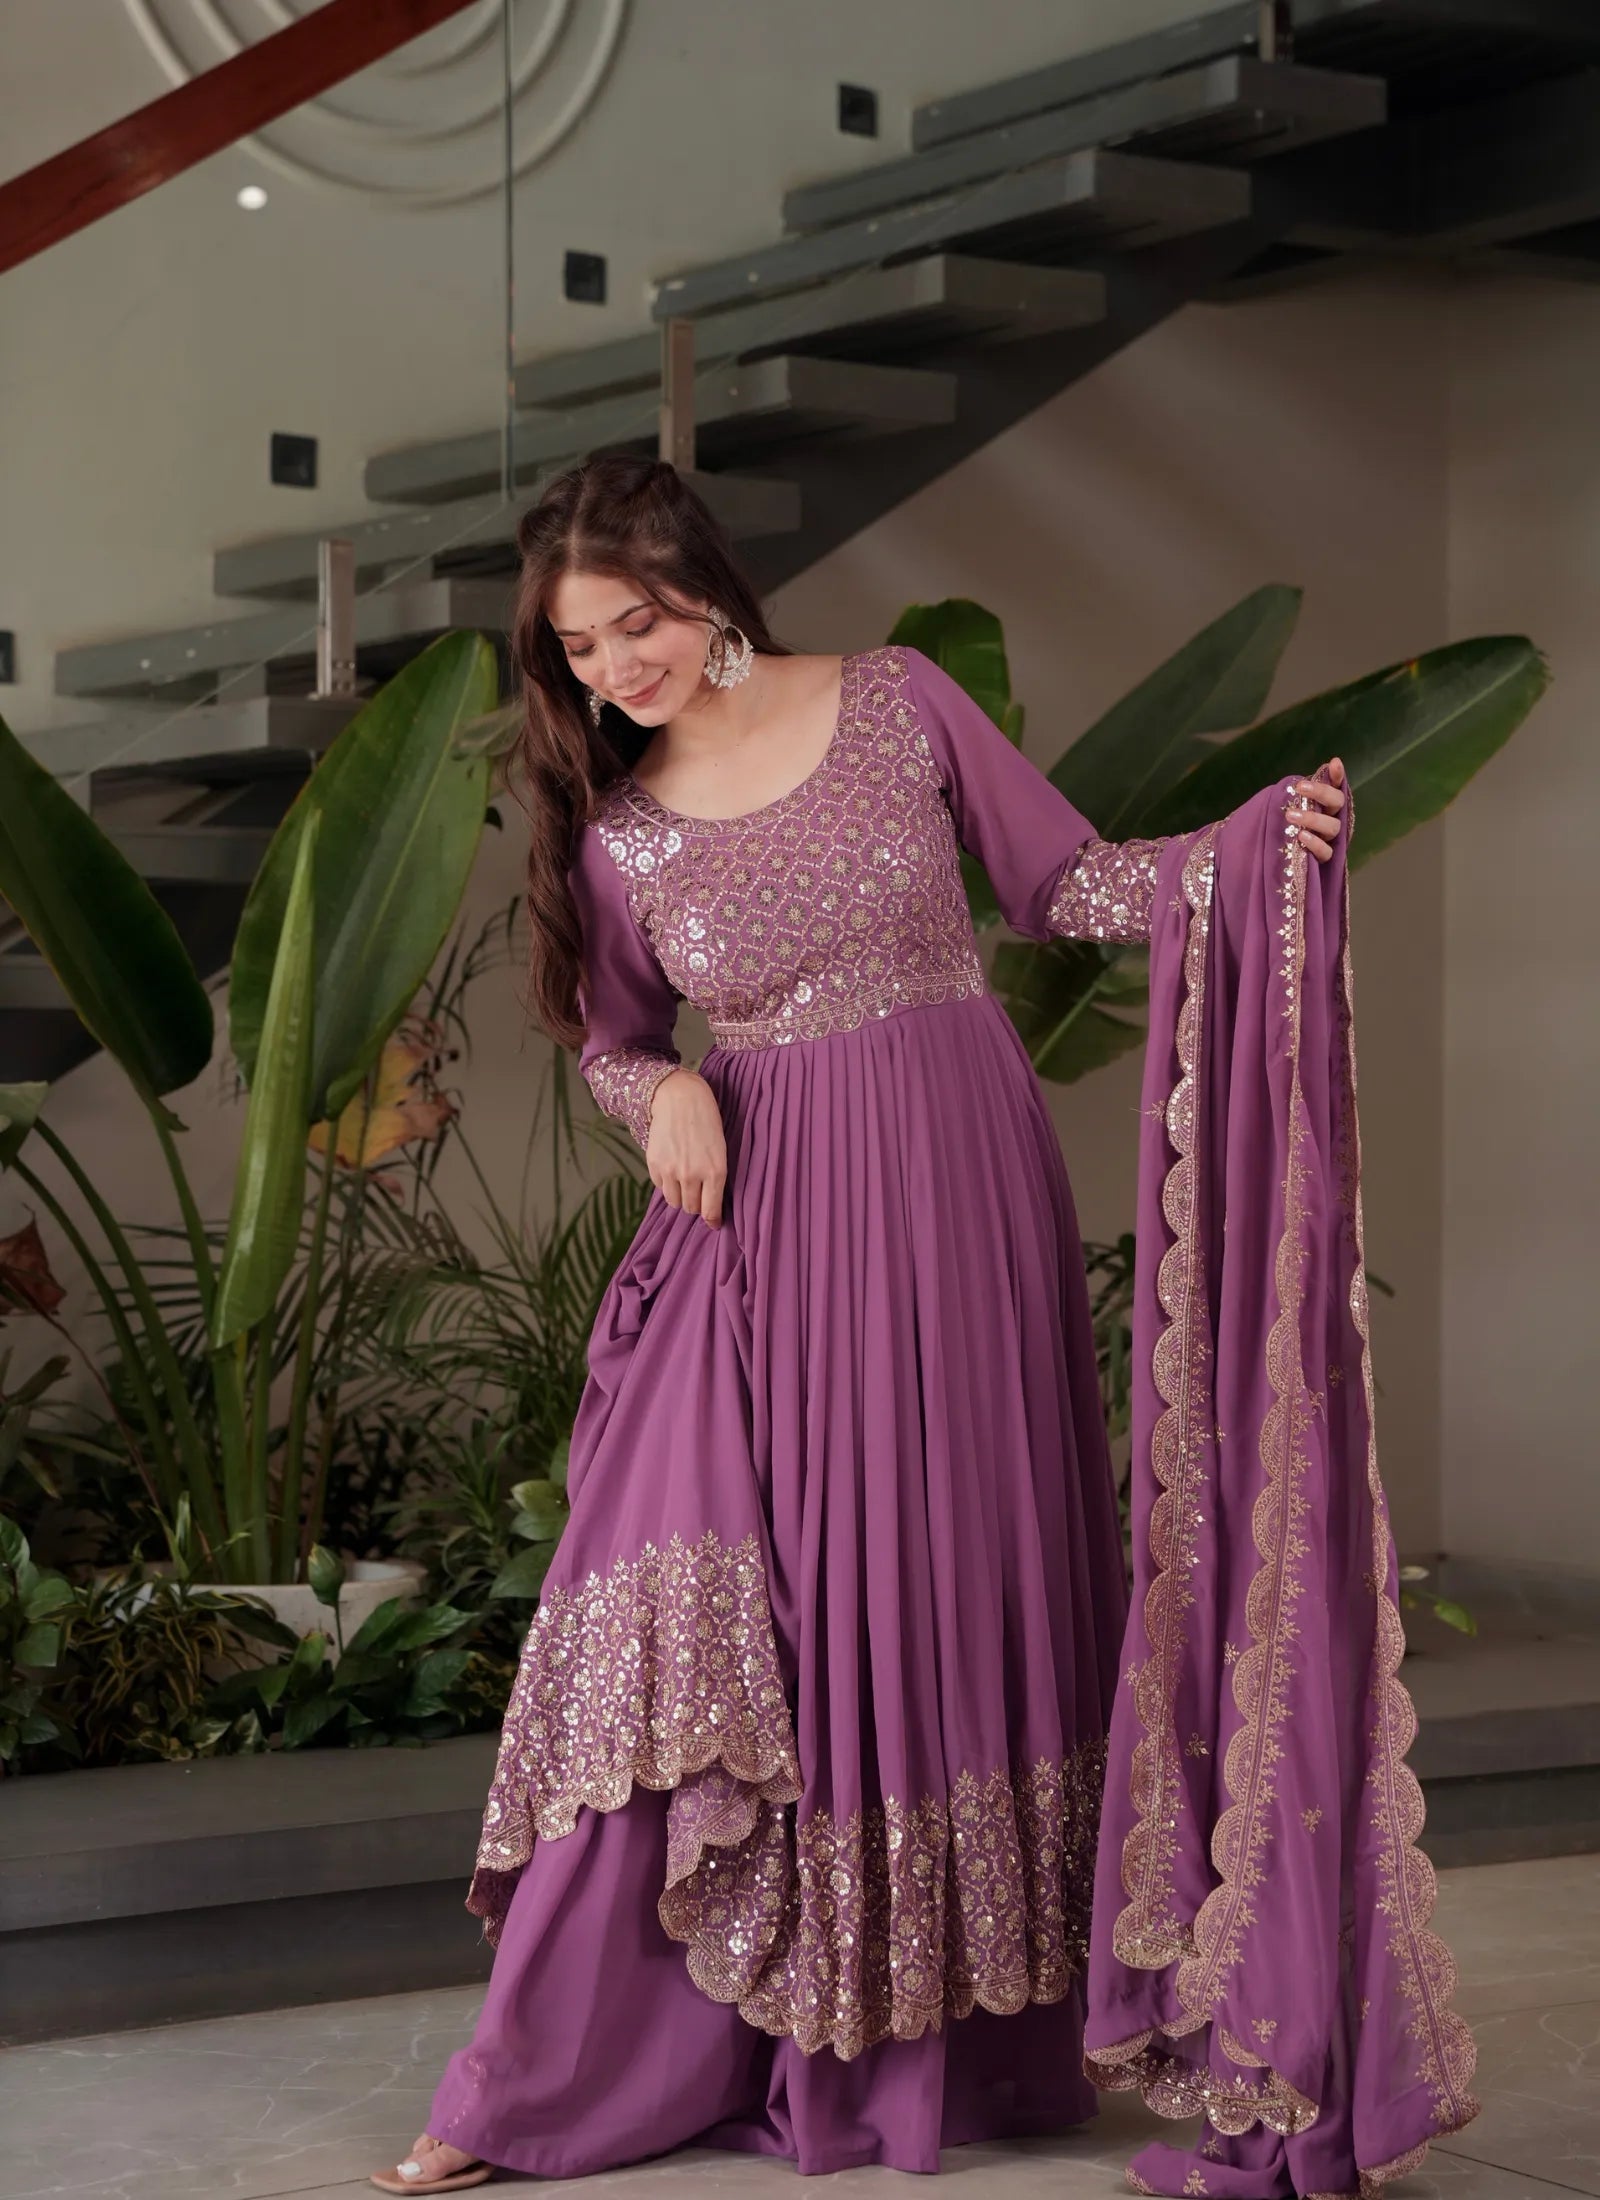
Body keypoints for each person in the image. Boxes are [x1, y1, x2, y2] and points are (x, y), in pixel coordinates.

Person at [371, 454, 1471, 2197]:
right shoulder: (622, 829)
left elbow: (1067, 886)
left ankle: (971, 2043)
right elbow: (611, 1037)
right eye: (577, 649)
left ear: (701, 583)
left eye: (633, 624)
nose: (612, 670)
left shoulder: (896, 703)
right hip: (774, 1227)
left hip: (964, 1188)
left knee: (961, 1573)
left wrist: (1243, 857)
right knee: (723, 1620)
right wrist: (661, 1090)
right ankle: (542, 2080)